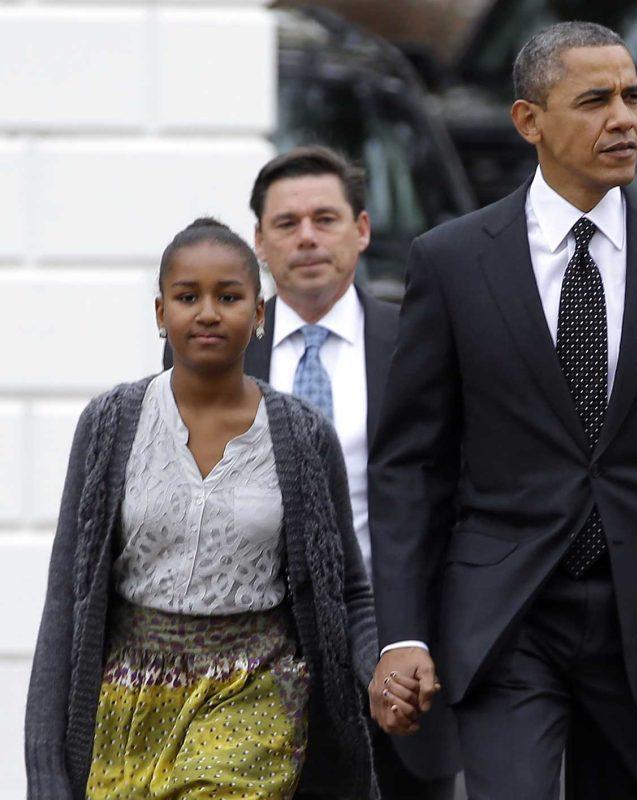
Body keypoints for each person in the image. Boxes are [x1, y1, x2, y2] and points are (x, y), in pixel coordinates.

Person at [367, 20, 637, 800]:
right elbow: (411, 464)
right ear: (531, 122)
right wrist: (405, 634)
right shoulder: (452, 261)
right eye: (594, 101)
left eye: (632, 96)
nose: (624, 119)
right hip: (502, 614)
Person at [25, 218, 378, 799]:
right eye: (188, 297)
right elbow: (68, 595)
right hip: (129, 703)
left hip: (255, 691)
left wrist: (379, 669)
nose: (209, 312)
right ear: (161, 313)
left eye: (230, 297)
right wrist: (44, 766)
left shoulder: (304, 436)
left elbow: (350, 592)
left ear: (259, 315)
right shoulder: (110, 425)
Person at [167, 146, 461, 799]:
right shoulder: (215, 349)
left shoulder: (422, 340)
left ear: (361, 231)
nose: (306, 238)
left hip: (400, 652)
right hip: (252, 668)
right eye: (286, 223)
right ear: (259, 245)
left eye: (324, 219)